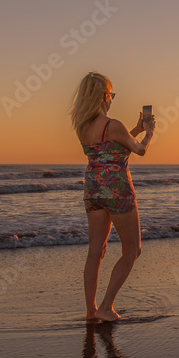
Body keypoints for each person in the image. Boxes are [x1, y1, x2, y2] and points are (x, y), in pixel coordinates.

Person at [69, 71, 155, 323]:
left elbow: (112, 146)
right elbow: (137, 150)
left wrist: (136, 128)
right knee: (132, 250)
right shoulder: (113, 125)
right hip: (116, 188)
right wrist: (148, 133)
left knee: (96, 250)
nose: (112, 100)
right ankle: (106, 306)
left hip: (93, 188)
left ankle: (91, 311)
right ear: (103, 96)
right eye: (111, 94)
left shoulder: (82, 126)